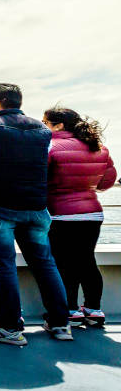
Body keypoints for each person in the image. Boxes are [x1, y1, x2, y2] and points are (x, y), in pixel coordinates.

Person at [0, 83, 71, 345]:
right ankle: (60, 323)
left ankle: (8, 327)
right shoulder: (43, 131)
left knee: (2, 266)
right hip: (36, 208)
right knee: (45, 263)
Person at [43, 107, 117, 326]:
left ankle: (71, 311)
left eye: (45, 122)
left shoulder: (49, 147)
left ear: (59, 125)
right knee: (87, 261)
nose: (42, 126)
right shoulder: (99, 148)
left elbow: (40, 180)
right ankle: (94, 311)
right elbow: (105, 183)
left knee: (63, 264)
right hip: (92, 214)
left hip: (60, 215)